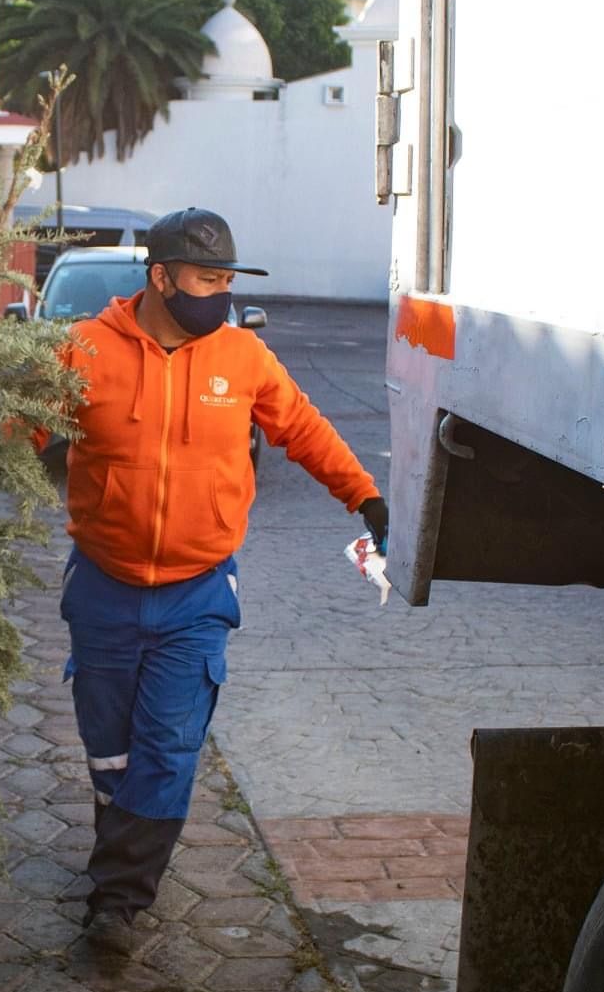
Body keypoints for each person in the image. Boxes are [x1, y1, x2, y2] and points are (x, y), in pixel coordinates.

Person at [47, 206, 388, 952]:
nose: (219, 294)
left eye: (228, 279)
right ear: (161, 277)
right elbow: (11, 429)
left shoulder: (242, 358)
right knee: (111, 751)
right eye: (207, 279)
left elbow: (302, 428)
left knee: (168, 745)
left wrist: (364, 495)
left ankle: (118, 902)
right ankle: (122, 851)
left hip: (198, 591)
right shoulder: (81, 352)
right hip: (103, 585)